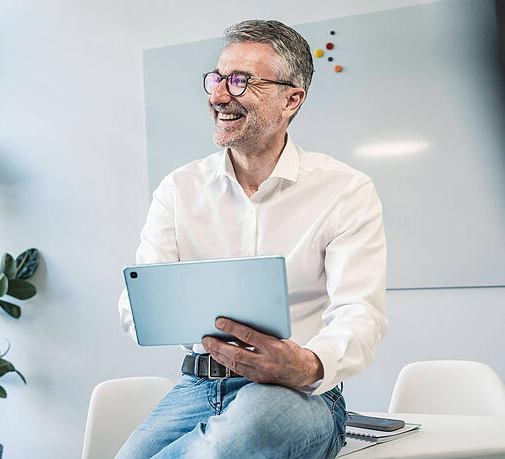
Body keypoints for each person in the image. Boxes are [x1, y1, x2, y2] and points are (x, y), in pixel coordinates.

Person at [116, 19, 387, 458]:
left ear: (291, 99)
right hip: (198, 386)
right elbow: (135, 306)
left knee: (232, 442)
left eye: (240, 81)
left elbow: (361, 313)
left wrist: (307, 364)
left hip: (299, 393)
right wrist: (159, 311)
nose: (219, 94)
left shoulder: (346, 189)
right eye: (218, 78)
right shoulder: (178, 188)